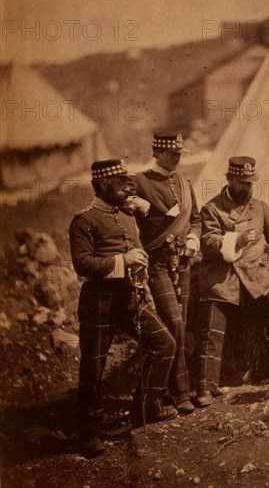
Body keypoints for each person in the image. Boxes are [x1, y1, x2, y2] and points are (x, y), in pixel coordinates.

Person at [69, 159, 176, 459]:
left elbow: (136, 251)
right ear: (101, 185)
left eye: (128, 182)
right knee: (93, 369)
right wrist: (123, 262)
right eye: (119, 183)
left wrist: (138, 270)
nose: (127, 187)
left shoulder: (127, 216)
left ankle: (145, 408)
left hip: (129, 299)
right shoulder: (84, 221)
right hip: (97, 302)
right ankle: (88, 430)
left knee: (164, 343)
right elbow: (82, 264)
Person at [195, 156, 269, 407]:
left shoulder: (260, 207)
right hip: (224, 279)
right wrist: (237, 240)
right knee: (212, 328)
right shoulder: (212, 208)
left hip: (257, 277)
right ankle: (205, 387)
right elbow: (209, 241)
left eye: (250, 183)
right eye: (242, 183)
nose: (247, 188)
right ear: (229, 179)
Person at [129, 131, 201, 414]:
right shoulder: (139, 181)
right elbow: (117, 205)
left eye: (180, 154)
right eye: (172, 154)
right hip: (157, 264)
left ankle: (173, 392)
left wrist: (194, 238)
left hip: (182, 263)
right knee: (173, 325)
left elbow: (195, 218)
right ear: (157, 152)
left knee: (181, 322)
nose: (177, 158)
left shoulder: (184, 182)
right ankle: (178, 393)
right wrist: (132, 202)